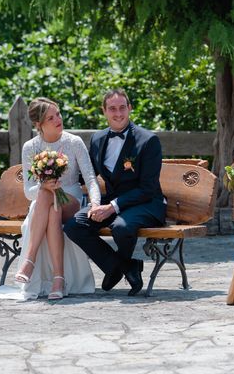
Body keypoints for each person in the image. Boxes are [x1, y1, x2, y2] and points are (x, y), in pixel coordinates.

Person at [64, 89, 166, 296]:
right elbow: (87, 174)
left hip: (146, 203)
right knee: (75, 225)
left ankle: (117, 266)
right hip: (112, 202)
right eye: (112, 109)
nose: (118, 113)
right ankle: (121, 267)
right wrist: (57, 174)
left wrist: (111, 207)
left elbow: (148, 188)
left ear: (130, 108)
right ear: (104, 111)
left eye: (122, 108)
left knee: (121, 227)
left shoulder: (148, 141)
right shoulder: (98, 139)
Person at [14, 97, 100, 300]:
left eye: (58, 114)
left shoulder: (73, 142)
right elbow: (28, 191)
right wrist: (43, 186)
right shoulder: (30, 147)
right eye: (50, 118)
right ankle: (58, 278)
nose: (58, 120)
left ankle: (29, 260)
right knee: (48, 198)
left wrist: (95, 202)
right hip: (46, 202)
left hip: (71, 198)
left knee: (51, 199)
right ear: (39, 124)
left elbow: (90, 178)